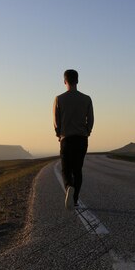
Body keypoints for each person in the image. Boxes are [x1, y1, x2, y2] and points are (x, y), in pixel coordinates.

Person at [53, 69, 94, 210]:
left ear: (65, 81)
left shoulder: (59, 99)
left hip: (66, 139)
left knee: (65, 169)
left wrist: (59, 134)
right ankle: (75, 199)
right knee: (78, 170)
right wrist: (87, 131)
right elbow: (91, 119)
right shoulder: (87, 99)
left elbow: (56, 121)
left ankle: (68, 186)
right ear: (77, 81)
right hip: (82, 139)